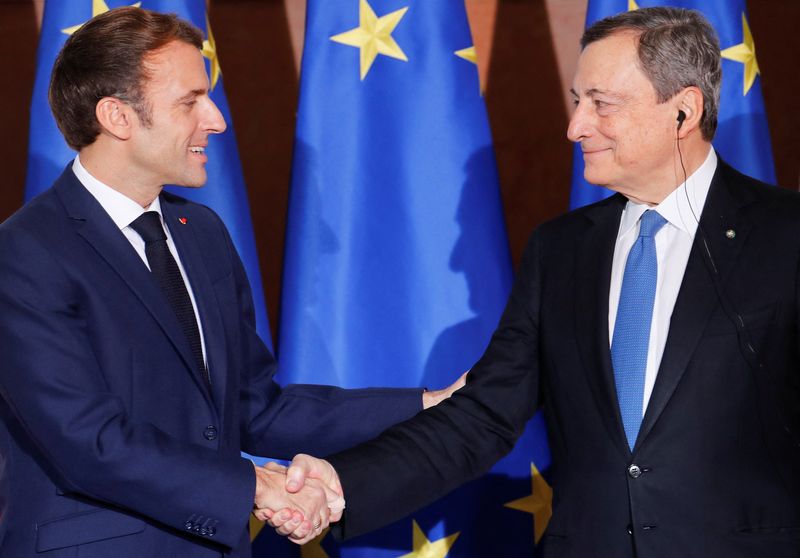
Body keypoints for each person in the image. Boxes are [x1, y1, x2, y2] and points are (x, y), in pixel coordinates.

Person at [274, 7, 800, 557]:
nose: (576, 127)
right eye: (577, 101)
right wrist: (342, 486)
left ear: (683, 111)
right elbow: (482, 416)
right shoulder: (562, 249)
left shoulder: (785, 236)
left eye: (601, 103)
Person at [0, 7, 463, 557]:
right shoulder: (25, 252)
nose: (216, 120)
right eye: (190, 101)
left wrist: (428, 404)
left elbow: (253, 408)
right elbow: (86, 440)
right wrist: (255, 486)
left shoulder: (201, 233)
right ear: (117, 116)